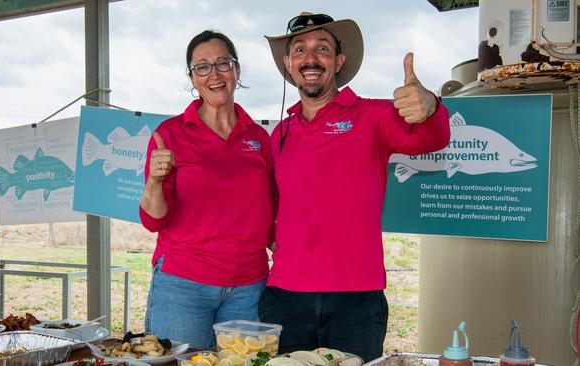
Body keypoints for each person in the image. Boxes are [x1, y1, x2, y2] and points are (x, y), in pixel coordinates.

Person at [258, 12, 451, 361]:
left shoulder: (373, 115)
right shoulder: (279, 135)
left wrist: (431, 105)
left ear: (339, 61)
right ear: (288, 64)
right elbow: (274, 202)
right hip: (285, 295)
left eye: (322, 48)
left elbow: (432, 138)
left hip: (356, 297)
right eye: (299, 50)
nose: (310, 59)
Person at [139, 30, 276, 350]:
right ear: (192, 78)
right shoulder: (169, 134)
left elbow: (273, 214)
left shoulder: (260, 138)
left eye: (222, 63)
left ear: (237, 71)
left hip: (248, 289)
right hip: (183, 287)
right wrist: (155, 182)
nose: (213, 74)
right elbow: (152, 220)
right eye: (202, 67)